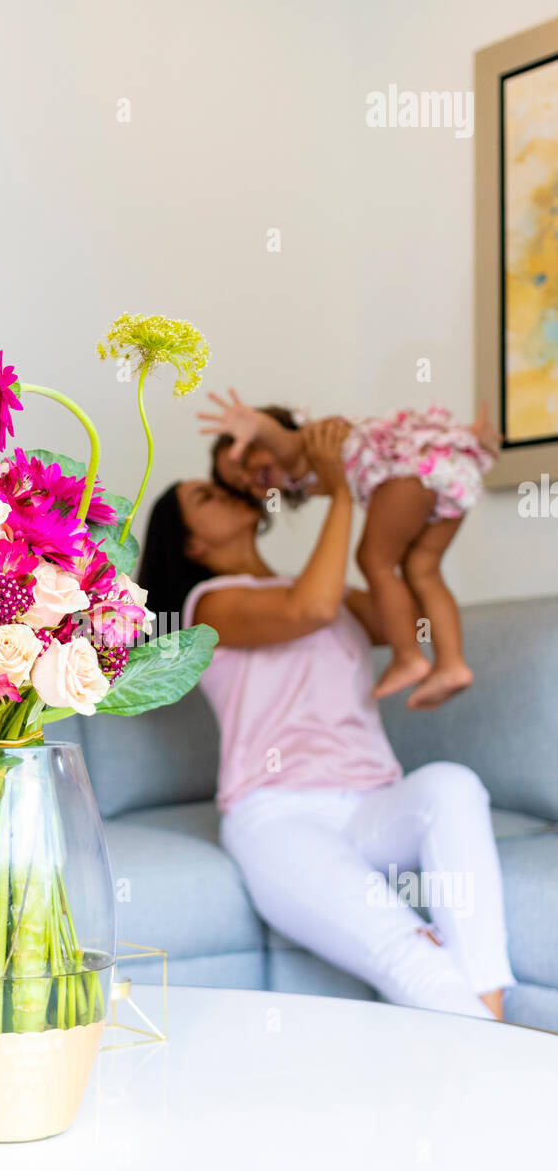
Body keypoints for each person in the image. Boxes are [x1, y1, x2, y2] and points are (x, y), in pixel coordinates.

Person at [137, 418, 514, 1020]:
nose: (225, 492)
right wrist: (342, 491)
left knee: (453, 783)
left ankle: (494, 1034)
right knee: (407, 947)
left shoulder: (321, 588)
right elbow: (308, 608)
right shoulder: (209, 606)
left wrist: (413, 507)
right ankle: (517, 1067)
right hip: (280, 815)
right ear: (191, 545)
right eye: (205, 497)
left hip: (374, 805)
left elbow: (409, 614)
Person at [197, 392, 501, 709]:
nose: (249, 478)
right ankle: (452, 665)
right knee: (422, 570)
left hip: (409, 473)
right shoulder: (305, 469)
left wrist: (257, 425)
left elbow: (281, 441)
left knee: (373, 561)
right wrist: (470, 437)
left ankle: (408, 657)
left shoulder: (299, 450)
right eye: (242, 484)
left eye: (245, 459)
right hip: (450, 472)